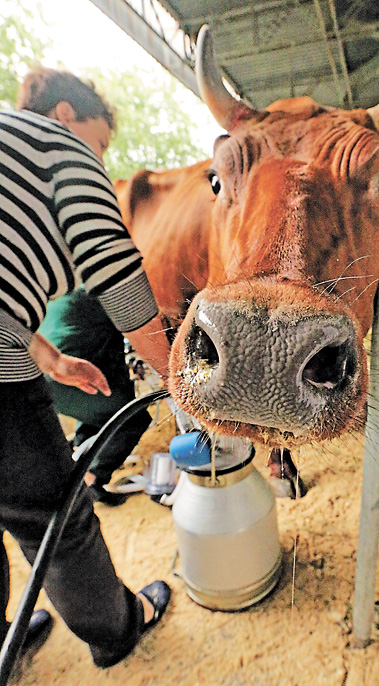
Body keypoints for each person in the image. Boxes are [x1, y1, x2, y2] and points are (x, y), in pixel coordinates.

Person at [0, 66, 172, 671]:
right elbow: (116, 272)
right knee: (54, 515)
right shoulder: (55, 144)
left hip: (9, 346)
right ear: (68, 115)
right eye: (101, 144)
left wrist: (46, 356)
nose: (100, 160)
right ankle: (117, 627)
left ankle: (7, 638)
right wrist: (179, 376)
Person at [38, 285, 152, 506]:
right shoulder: (109, 289)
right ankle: (92, 481)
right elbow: (140, 330)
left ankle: (80, 467)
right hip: (66, 375)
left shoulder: (66, 292)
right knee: (132, 416)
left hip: (47, 378)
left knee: (96, 412)